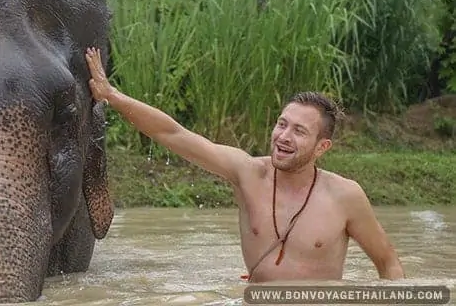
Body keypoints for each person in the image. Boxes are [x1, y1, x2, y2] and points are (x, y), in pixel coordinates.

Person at [84, 47, 405, 282]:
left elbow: (387, 261)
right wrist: (111, 94)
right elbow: (174, 133)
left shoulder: (345, 196)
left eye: (299, 131)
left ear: (323, 147)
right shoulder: (248, 173)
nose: (284, 136)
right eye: (282, 124)